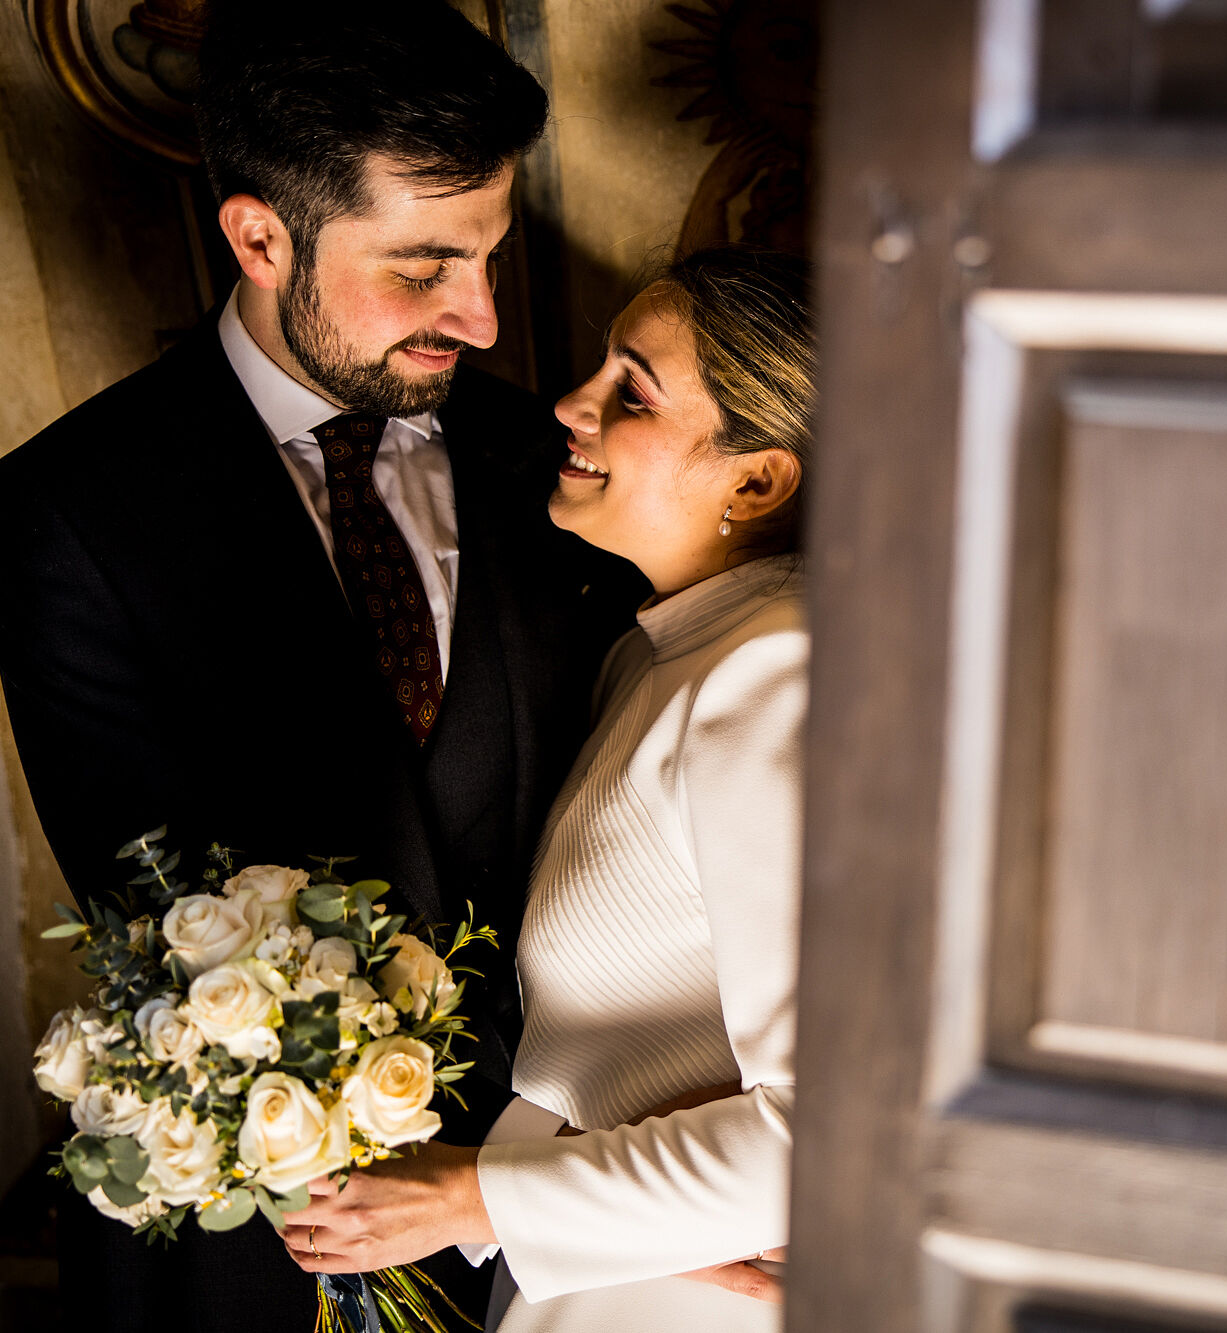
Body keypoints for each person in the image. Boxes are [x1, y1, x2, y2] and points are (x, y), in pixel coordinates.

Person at [0, 3, 641, 1327]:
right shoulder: (74, 509)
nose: (486, 320)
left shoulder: (551, 463)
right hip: (278, 1227)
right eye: (425, 267)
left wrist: (595, 1192)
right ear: (262, 237)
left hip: (583, 1199)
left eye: (493, 259)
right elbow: (158, 895)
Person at [282, 246, 813, 1332]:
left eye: (632, 391)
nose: (569, 402)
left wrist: (468, 1195)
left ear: (754, 479)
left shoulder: (780, 678)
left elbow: (833, 1133)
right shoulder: (654, 656)